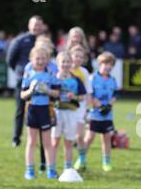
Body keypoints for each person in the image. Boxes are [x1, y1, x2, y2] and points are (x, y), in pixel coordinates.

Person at [20, 47, 60, 180]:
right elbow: (22, 95)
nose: (40, 61)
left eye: (43, 58)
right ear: (31, 59)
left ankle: (51, 170)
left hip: (45, 109)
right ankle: (30, 171)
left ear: (47, 60)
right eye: (37, 58)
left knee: (47, 142)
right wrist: (31, 90)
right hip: (32, 109)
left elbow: (57, 93)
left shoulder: (50, 74)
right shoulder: (28, 73)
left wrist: (47, 91)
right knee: (31, 141)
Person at [7, 15, 43, 147]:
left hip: (42, 82)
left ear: (42, 26)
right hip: (23, 81)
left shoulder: (44, 41)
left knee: (41, 110)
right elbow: (10, 60)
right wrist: (21, 72)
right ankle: (16, 138)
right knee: (20, 110)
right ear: (29, 25)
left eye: (39, 25)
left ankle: (40, 139)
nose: (36, 27)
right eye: (34, 24)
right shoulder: (20, 40)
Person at [78, 52, 118, 172]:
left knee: (106, 138)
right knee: (89, 137)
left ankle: (106, 162)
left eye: (110, 64)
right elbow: (90, 95)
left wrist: (109, 104)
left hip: (107, 114)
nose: (108, 67)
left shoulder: (112, 79)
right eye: (105, 63)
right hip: (94, 113)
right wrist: (99, 105)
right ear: (100, 64)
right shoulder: (93, 78)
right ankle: (81, 159)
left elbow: (115, 94)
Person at [51, 52, 86, 173]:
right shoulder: (53, 78)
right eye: (63, 62)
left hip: (71, 113)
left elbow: (82, 97)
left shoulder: (76, 80)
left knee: (69, 142)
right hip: (56, 112)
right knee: (54, 142)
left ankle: (68, 169)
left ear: (71, 63)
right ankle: (52, 168)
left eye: (68, 62)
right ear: (57, 64)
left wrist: (74, 96)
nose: (65, 64)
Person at [69, 45, 93, 171]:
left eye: (81, 57)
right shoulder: (65, 70)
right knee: (67, 137)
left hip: (80, 107)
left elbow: (88, 91)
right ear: (71, 56)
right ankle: (66, 164)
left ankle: (82, 159)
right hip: (66, 107)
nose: (78, 59)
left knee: (79, 136)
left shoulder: (84, 72)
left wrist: (88, 108)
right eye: (76, 56)